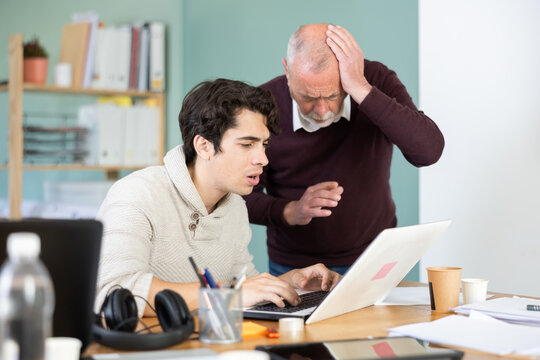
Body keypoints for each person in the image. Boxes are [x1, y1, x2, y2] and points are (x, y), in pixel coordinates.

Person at [94, 79, 341, 318]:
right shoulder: (137, 193)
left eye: (264, 145)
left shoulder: (234, 206)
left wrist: (290, 283)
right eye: (247, 145)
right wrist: (232, 293)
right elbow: (115, 292)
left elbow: (242, 286)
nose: (263, 160)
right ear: (203, 146)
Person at [244, 23, 445, 276]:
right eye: (307, 97)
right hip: (295, 266)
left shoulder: (374, 80)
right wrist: (291, 210)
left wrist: (361, 88)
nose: (321, 111)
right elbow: (238, 197)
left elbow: (428, 151)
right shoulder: (262, 104)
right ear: (288, 71)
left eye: (332, 96)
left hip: (374, 257)